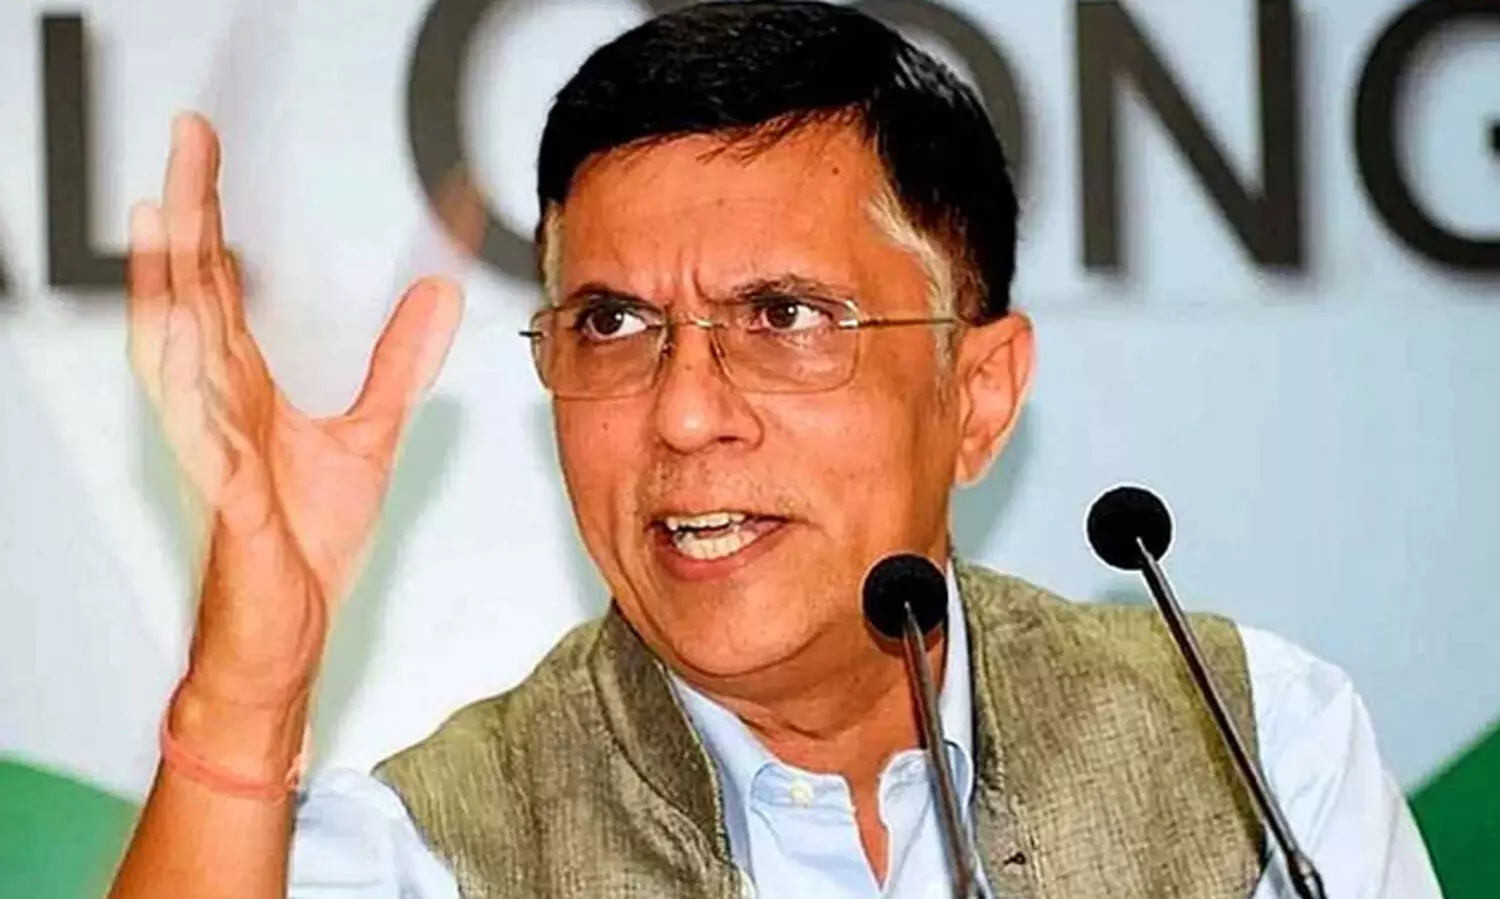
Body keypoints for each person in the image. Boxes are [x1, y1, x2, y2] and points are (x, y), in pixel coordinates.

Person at [107, 3, 1441, 897]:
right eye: (612, 323)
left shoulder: (1256, 754)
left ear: (978, 394)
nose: (686, 412)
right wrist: (245, 690)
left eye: (785, 317)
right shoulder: (435, 848)